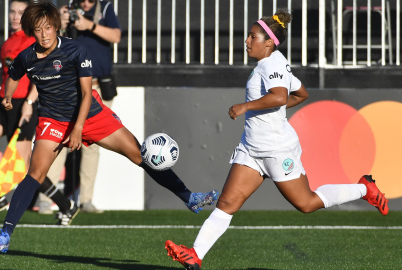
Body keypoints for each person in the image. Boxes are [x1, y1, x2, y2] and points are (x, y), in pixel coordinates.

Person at [0, 0, 218, 254]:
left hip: (91, 115)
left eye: (49, 28)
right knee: (36, 173)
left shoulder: (75, 50)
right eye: (39, 29)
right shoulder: (27, 57)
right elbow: (13, 75)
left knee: (139, 154)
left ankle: (188, 197)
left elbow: (87, 94)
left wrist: (77, 130)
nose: (44, 34)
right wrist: (8, 97)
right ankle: (5, 234)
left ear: (57, 27)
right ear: (32, 31)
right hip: (53, 119)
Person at [165, 9, 388, 270]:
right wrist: (271, 109)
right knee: (227, 203)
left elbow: (281, 96)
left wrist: (246, 107)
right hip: (252, 149)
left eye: (252, 37)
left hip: (276, 150)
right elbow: (300, 93)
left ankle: (365, 189)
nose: (247, 41)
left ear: (268, 42)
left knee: (306, 203)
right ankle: (195, 255)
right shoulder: (273, 62)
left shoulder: (271, 63)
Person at [0, 0, 80, 224]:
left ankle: (66, 205)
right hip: (6, 105)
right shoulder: (8, 43)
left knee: (29, 167)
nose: (16, 16)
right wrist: (1, 95)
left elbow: (42, 73)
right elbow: (9, 76)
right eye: (12, 12)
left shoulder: (34, 39)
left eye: (20, 12)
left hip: (26, 106)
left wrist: (29, 101)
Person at [37, 0, 122, 214]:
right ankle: (46, 198)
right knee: (59, 137)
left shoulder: (104, 8)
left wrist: (89, 25)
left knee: (93, 145)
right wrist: (62, 23)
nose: (85, 3)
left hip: (99, 85)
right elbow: (47, 42)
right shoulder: (64, 9)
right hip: (69, 85)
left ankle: (86, 199)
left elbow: (116, 36)